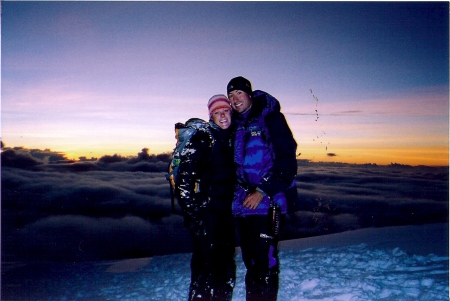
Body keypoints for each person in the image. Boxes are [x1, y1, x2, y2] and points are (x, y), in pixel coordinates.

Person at [226, 76, 298, 301]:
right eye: (230, 95)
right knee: (251, 260)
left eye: (238, 93)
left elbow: (286, 162)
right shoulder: (235, 125)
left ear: (249, 94)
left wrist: (263, 191)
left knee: (265, 260)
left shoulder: (271, 118)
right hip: (244, 203)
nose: (234, 99)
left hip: (269, 201)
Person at [176, 94, 237, 301]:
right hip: (206, 214)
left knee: (225, 265)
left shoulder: (230, 137)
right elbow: (184, 181)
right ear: (211, 115)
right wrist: (194, 216)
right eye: (217, 112)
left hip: (226, 214)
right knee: (205, 268)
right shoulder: (203, 138)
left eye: (226, 110)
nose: (222, 115)